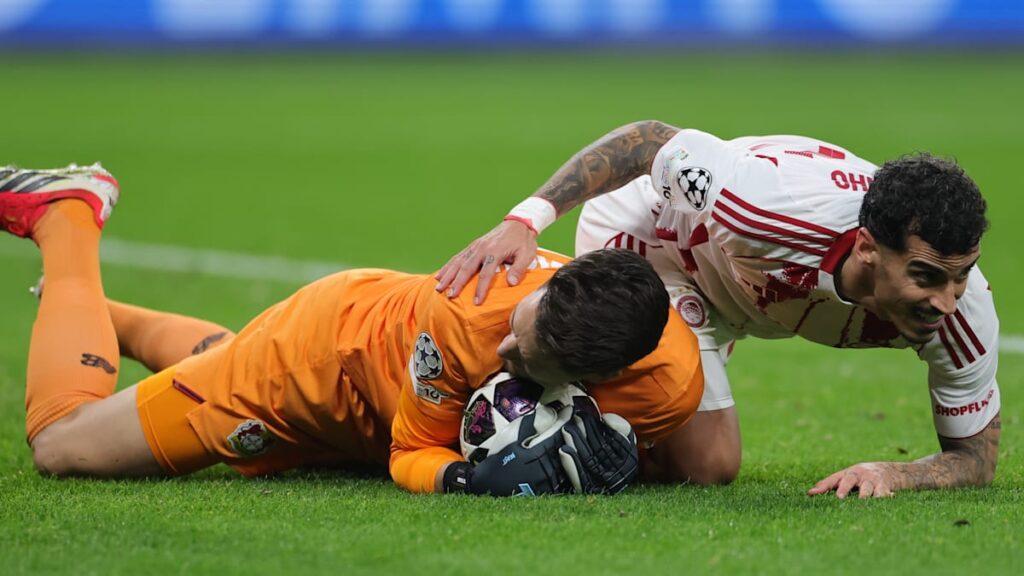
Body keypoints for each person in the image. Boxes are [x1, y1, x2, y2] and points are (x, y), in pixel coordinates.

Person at [0, 163, 703, 496]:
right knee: (64, 445)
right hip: (316, 365)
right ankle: (68, 218)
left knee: (216, 361)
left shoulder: (670, 387)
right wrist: (465, 479)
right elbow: (410, 452)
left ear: (601, 375)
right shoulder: (467, 316)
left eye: (525, 359)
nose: (504, 348)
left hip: (382, 396)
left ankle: (101, 321)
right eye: (521, 327)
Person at [435, 121, 1000, 499]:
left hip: (736, 292)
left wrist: (893, 473)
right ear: (869, 248)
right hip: (654, 247)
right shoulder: (764, 204)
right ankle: (460, 400)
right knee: (702, 459)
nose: (946, 300)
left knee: (697, 459)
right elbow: (645, 141)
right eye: (926, 277)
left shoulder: (962, 313)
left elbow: (975, 458)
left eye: (961, 274)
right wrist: (526, 219)